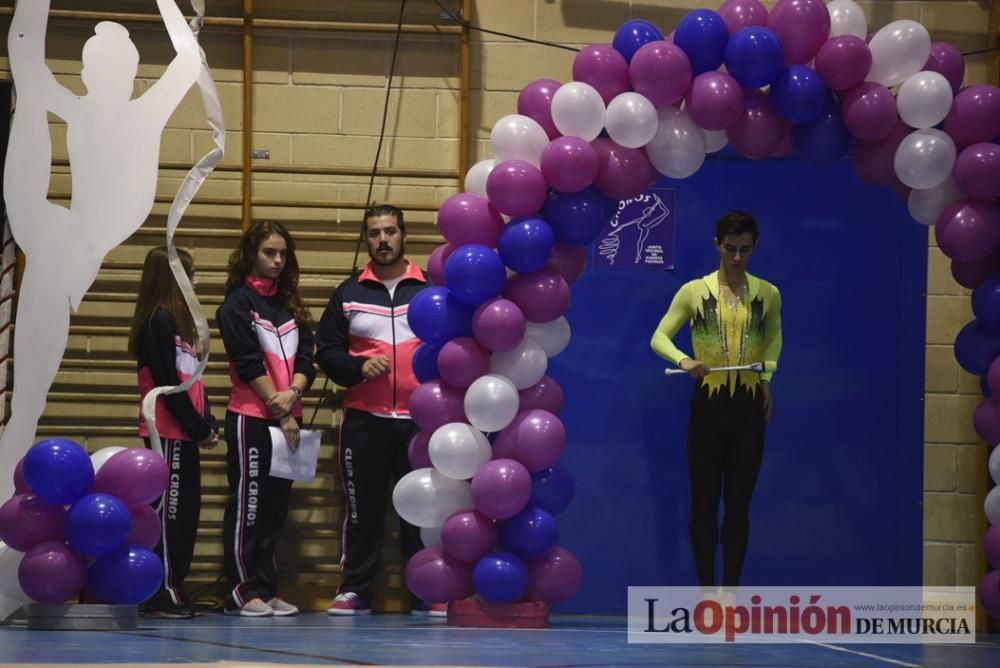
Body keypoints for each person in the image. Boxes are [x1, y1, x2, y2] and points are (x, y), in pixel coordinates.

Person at [0, 0, 200, 504]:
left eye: (117, 69)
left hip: (87, 231)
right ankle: (8, 467)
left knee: (30, 396)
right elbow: (25, 57)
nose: (104, 77)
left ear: (130, 75)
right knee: (29, 398)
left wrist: (173, 9)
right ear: (87, 72)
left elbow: (189, 63)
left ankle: (14, 447)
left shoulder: (143, 113)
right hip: (62, 232)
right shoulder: (84, 106)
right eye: (96, 68)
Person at [316, 205, 442, 616]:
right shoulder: (348, 293)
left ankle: (428, 589)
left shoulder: (430, 289)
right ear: (366, 240)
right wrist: (357, 368)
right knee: (362, 511)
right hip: (364, 421)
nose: (383, 239)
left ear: (403, 236)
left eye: (390, 231)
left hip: (421, 422)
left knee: (420, 511)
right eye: (374, 233)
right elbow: (327, 353)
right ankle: (354, 590)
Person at [650, 210, 782, 592]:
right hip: (708, 410)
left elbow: (775, 337)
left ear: (754, 247)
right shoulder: (694, 292)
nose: (737, 258)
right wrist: (684, 360)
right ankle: (708, 590)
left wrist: (767, 376)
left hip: (748, 409)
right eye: (730, 249)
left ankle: (731, 593)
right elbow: (659, 337)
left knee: (739, 507)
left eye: (744, 250)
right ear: (717, 245)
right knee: (704, 504)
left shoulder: (768, 294)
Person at [216, 221, 316, 617]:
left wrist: (294, 395)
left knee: (275, 509)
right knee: (249, 506)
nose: (277, 260)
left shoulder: (290, 306)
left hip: (288, 417)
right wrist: (281, 408)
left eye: (282, 254)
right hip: (251, 418)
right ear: (250, 256)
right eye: (268, 253)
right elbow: (247, 363)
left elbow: (307, 359)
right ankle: (242, 590)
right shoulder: (237, 305)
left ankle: (267, 587)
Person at [128, 246, 218, 619]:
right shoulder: (157, 322)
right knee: (170, 517)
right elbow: (168, 384)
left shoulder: (180, 326)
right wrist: (196, 428)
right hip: (168, 435)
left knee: (186, 516)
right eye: (188, 274)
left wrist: (207, 421)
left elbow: (193, 383)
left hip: (185, 434)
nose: (194, 283)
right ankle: (158, 593)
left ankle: (173, 586)